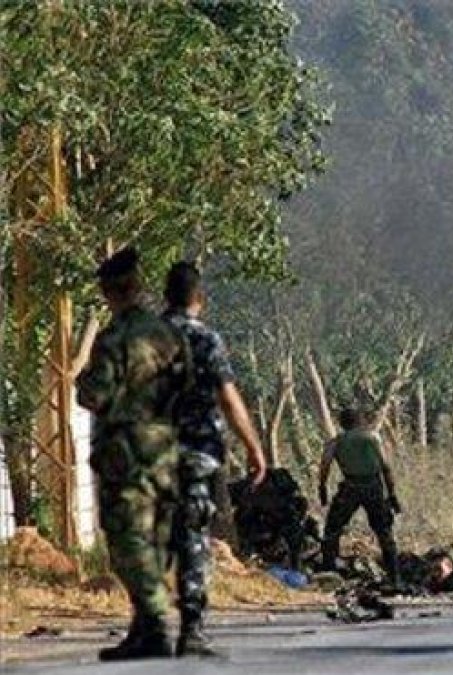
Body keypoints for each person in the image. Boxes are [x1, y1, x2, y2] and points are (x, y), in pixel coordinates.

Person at [77, 247, 189, 660]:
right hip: (167, 445)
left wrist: (84, 384)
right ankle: (144, 629)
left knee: (126, 539)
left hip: (127, 449)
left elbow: (95, 394)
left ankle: (156, 623)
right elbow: (189, 387)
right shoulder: (168, 334)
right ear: (138, 286)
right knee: (157, 537)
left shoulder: (114, 338)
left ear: (108, 292)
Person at [161, 261, 268, 657]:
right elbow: (228, 398)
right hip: (195, 450)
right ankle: (191, 628)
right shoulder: (205, 339)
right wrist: (254, 448)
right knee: (192, 534)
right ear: (198, 300)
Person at [317, 408, 401, 587]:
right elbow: (386, 468)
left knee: (332, 530)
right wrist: (392, 494)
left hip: (350, 487)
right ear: (359, 421)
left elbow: (325, 465)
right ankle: (395, 578)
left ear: (342, 424)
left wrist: (322, 487)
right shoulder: (373, 438)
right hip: (373, 487)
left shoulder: (336, 442)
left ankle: (328, 574)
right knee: (384, 532)